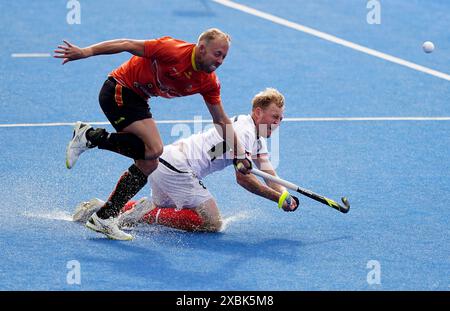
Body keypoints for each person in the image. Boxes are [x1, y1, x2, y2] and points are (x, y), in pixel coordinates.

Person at [54, 28, 252, 240]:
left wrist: (240, 154)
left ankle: (104, 217)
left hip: (138, 100)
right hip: (118, 90)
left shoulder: (209, 81)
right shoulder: (172, 50)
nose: (220, 60)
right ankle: (90, 137)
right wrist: (86, 52)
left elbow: (221, 120)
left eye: (224, 56)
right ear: (201, 48)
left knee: (149, 163)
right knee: (154, 150)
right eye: (217, 54)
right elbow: (126, 43)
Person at [73, 88, 299, 233]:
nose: (277, 123)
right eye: (274, 117)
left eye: (280, 118)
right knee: (212, 222)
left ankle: (102, 209)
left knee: (168, 205)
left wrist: (284, 194)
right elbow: (244, 180)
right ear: (258, 113)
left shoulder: (256, 137)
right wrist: (277, 199)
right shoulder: (245, 132)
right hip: (178, 169)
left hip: (168, 164)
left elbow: (268, 172)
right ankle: (146, 214)